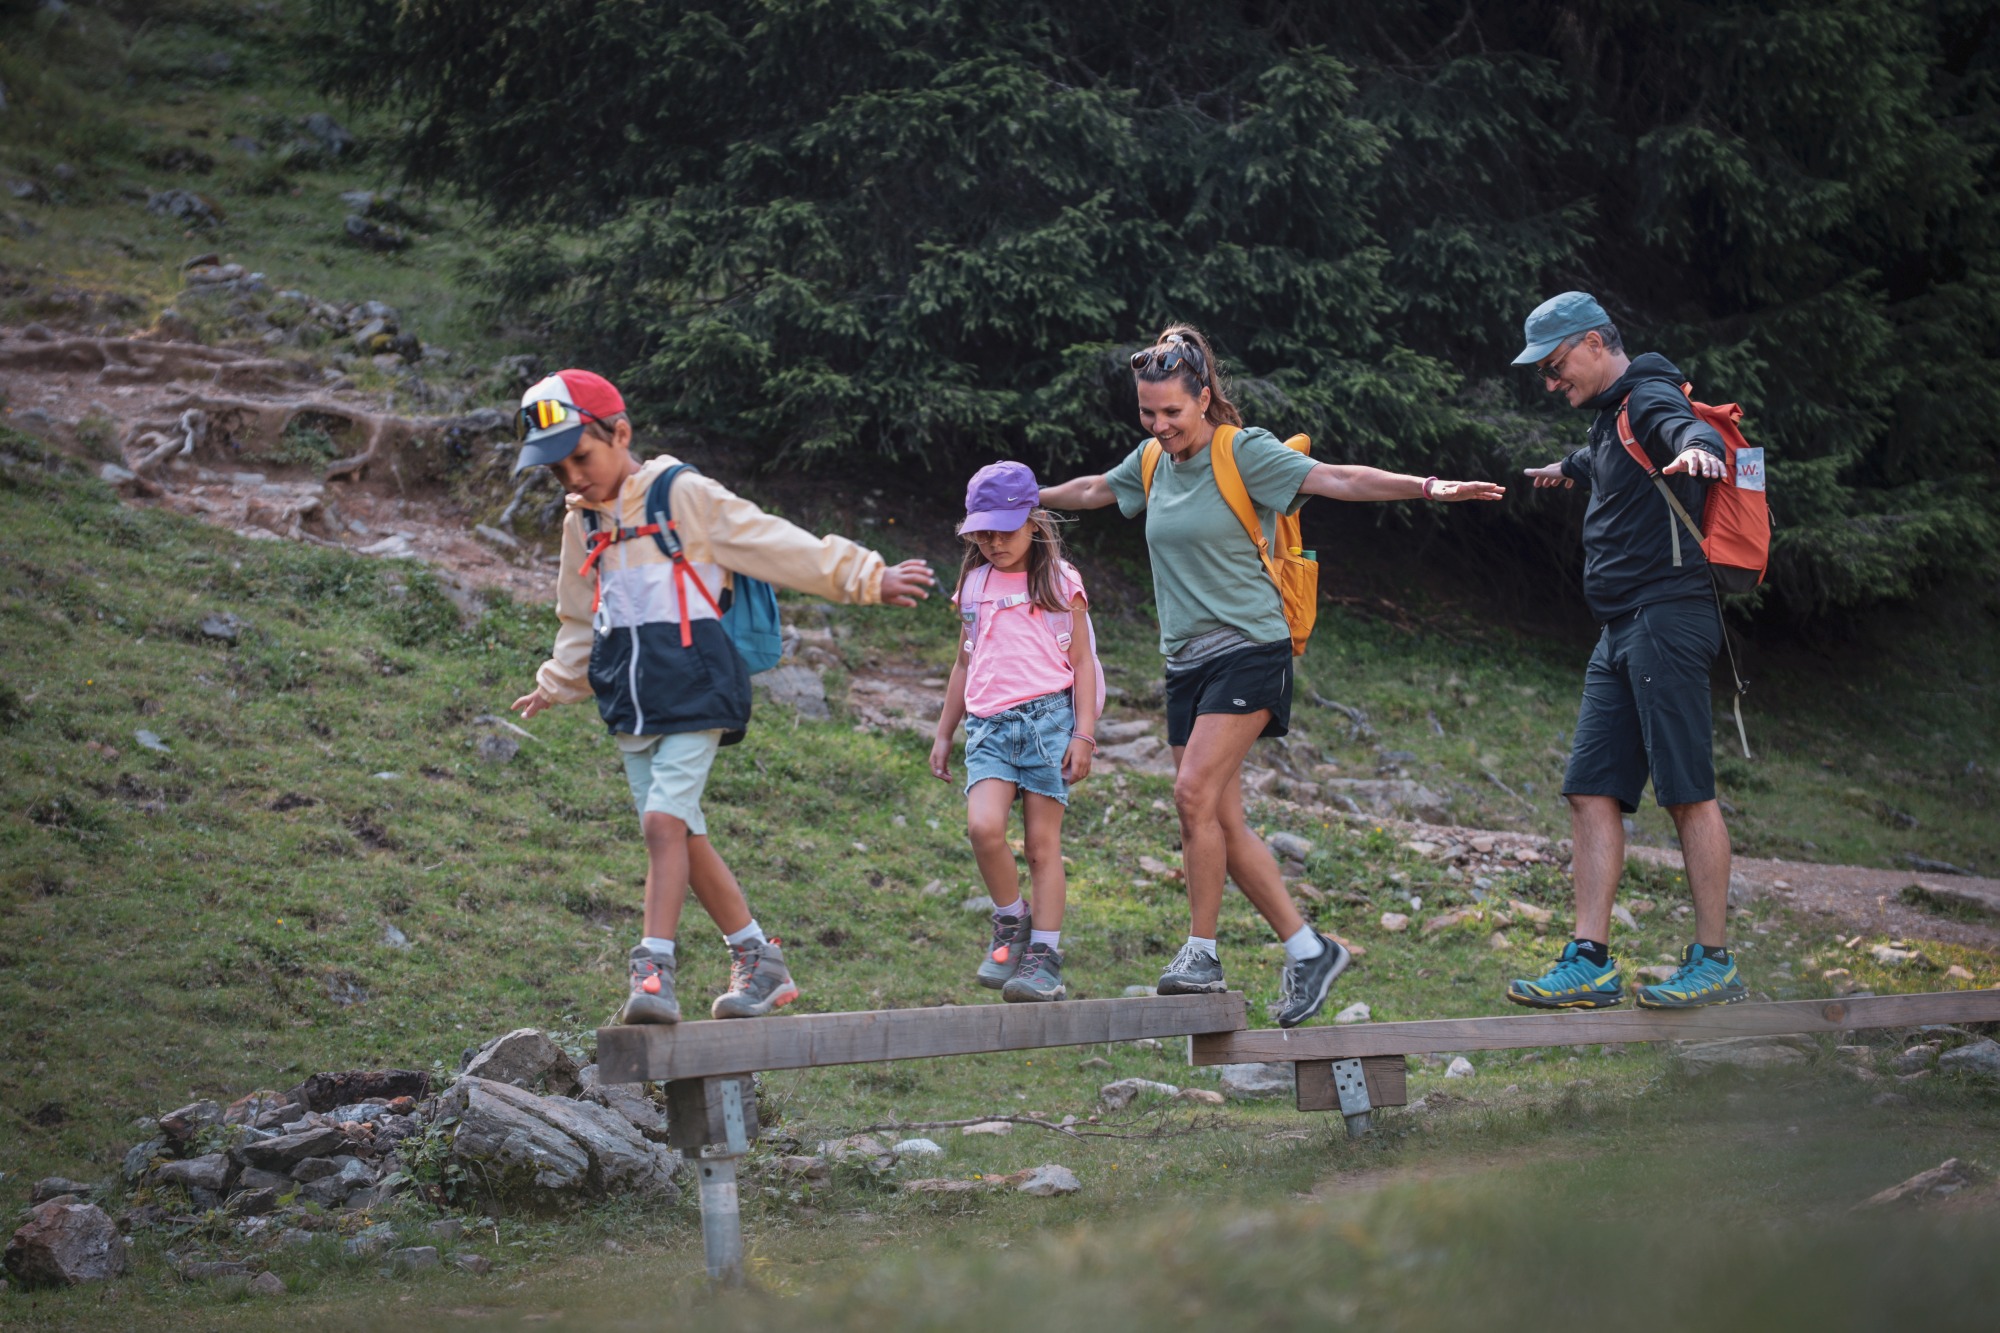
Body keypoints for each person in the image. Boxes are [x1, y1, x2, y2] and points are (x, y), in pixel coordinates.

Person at [1038, 326, 1504, 1026]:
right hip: (1185, 664)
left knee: (1191, 793)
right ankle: (1310, 950)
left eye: (1171, 412)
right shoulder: (1153, 461)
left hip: (1251, 648)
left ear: (1203, 398)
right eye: (1147, 413)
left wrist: (1430, 486)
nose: (1159, 426)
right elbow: (1094, 489)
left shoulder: (1243, 451)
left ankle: (1202, 954)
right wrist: (1028, 496)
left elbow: (1338, 478)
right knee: (1217, 818)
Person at [508, 368, 936, 1025]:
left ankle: (653, 970)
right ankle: (758, 958)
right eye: (556, 469)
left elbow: (774, 542)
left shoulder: (682, 495)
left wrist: (866, 576)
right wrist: (555, 683)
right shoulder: (581, 521)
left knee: (662, 823)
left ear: (619, 433)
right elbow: (578, 615)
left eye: (580, 458)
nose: (572, 478)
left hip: (697, 686)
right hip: (631, 698)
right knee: (682, 832)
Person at [1510, 291, 1745, 1010]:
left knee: (1686, 791)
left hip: (1667, 618)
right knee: (1590, 789)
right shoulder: (1613, 415)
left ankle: (1714, 961)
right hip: (1620, 628)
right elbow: (1609, 453)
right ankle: (1590, 960)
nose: (1551, 382)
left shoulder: (1647, 396)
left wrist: (1701, 450)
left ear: (1592, 342)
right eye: (1543, 373)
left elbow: (1678, 428)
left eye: (1554, 366)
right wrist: (1570, 466)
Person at [928, 462, 1099, 1003]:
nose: (994, 543)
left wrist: (1085, 734)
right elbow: (964, 662)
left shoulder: (1059, 582)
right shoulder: (973, 585)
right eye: (983, 533)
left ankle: (1044, 958)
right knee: (983, 829)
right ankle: (1011, 918)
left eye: (1005, 531)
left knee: (1043, 847)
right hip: (988, 727)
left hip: (1049, 724)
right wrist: (944, 732)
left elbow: (1082, 662)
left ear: (1034, 521)